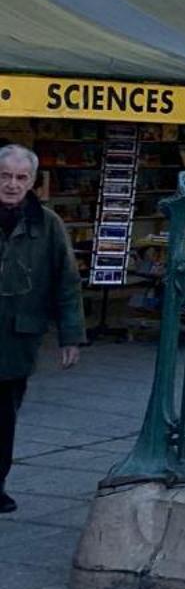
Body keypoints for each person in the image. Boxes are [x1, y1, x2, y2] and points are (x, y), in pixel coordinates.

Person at [0, 145, 84, 513]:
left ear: (33, 182)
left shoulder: (47, 224)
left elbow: (66, 281)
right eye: (4, 176)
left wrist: (71, 335)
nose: (12, 184)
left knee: (3, 419)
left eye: (21, 178)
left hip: (15, 339)